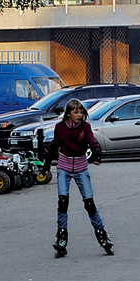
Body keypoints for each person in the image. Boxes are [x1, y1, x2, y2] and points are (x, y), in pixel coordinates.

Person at [40, 98, 113, 258]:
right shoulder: (60, 128)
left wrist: (97, 155)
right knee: (63, 201)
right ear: (68, 114)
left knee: (89, 203)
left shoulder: (85, 127)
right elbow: (54, 146)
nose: (79, 115)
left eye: (81, 112)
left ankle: (102, 235)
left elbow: (92, 142)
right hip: (64, 166)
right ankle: (61, 238)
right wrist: (45, 167)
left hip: (80, 167)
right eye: (76, 112)